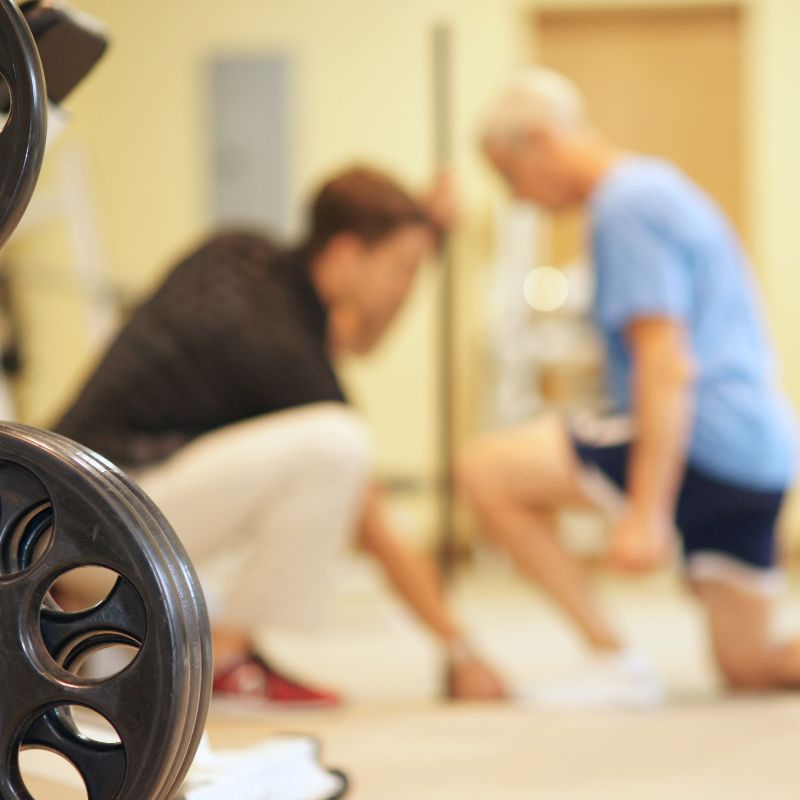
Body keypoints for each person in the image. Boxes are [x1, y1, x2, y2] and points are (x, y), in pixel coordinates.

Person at [54, 165, 506, 705]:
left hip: (63, 521)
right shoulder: (275, 344)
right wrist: (461, 648)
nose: (404, 289)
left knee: (332, 445)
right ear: (344, 255)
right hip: (90, 552)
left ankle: (198, 644)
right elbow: (376, 522)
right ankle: (226, 658)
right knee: (339, 446)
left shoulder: (243, 257)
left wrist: (424, 236)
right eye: (401, 271)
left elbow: (357, 341)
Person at [457, 67, 800, 707]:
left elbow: (664, 365)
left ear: (540, 139)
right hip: (761, 453)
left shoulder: (625, 205)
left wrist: (647, 512)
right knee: (751, 663)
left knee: (484, 469)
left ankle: (613, 659)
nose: (520, 198)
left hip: (707, 438)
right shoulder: (659, 188)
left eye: (510, 175)